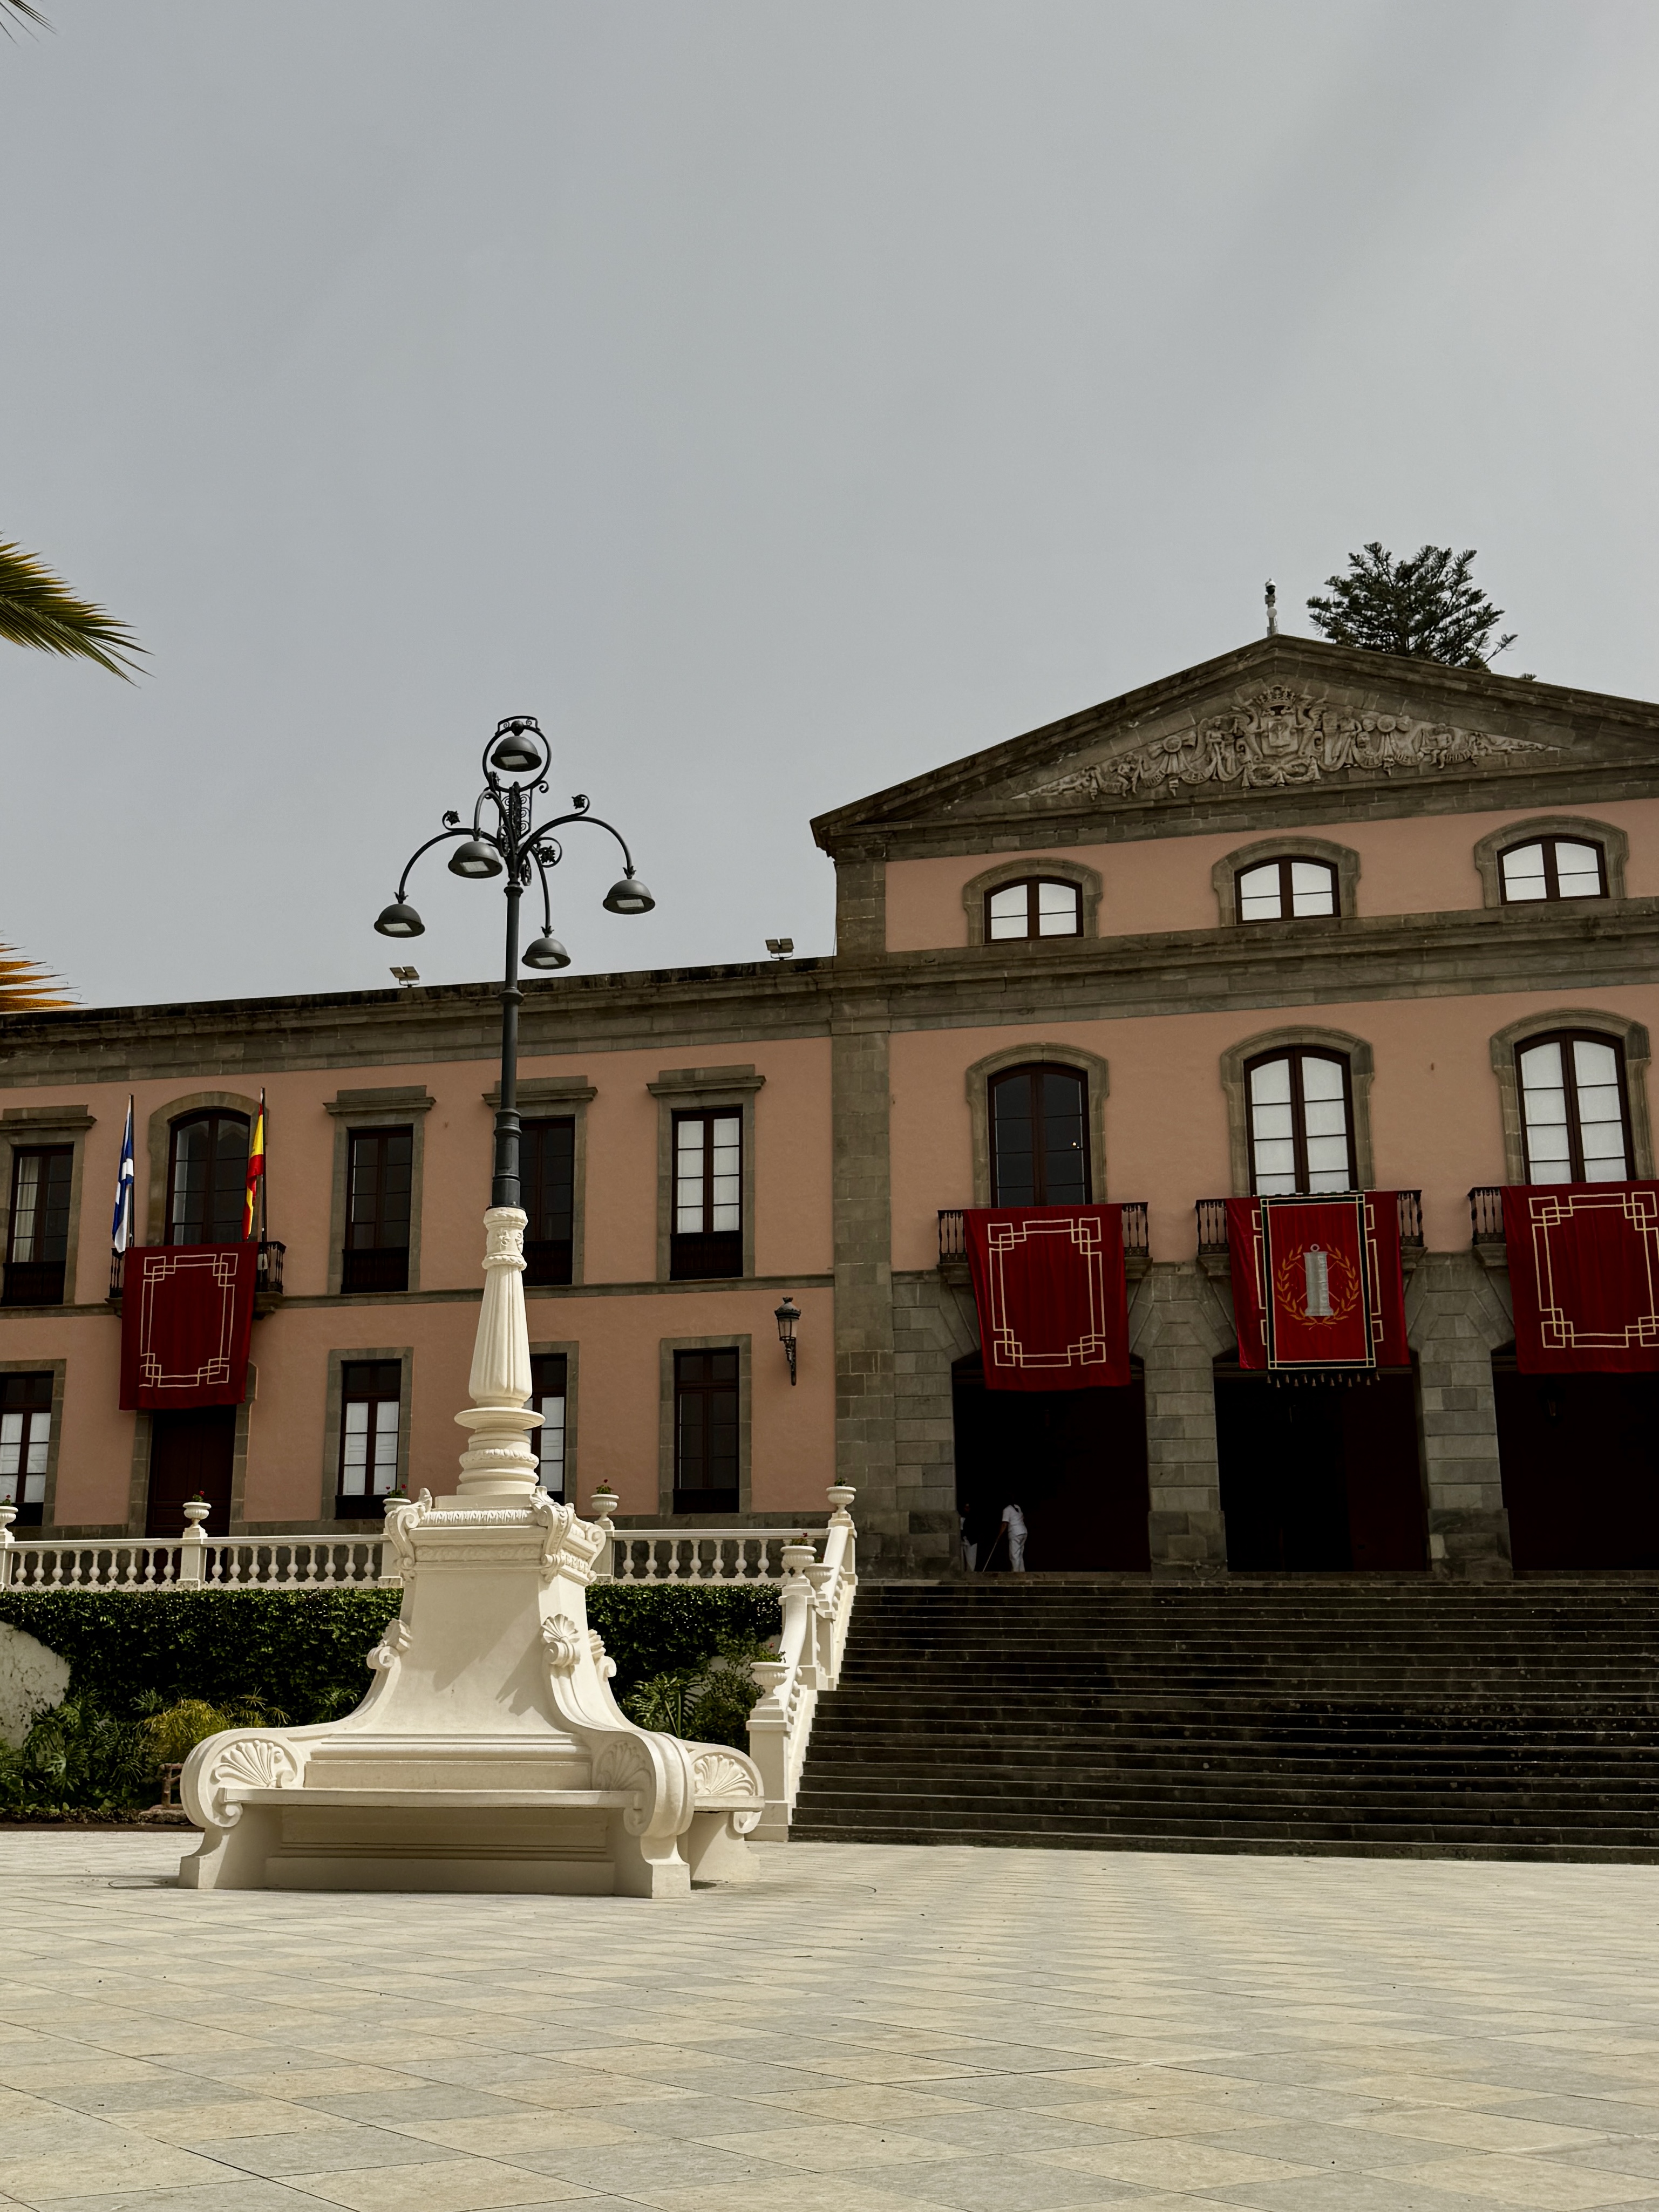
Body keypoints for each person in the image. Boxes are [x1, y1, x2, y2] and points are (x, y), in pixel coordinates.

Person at [1002, 1500, 1028, 1574]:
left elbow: (1004, 1524)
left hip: (1015, 1533)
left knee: (1014, 1555)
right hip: (1023, 1532)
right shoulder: (1017, 1507)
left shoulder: (1007, 1510)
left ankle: (1016, 1574)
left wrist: (999, 1536)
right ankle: (1022, 1573)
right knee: (1019, 1554)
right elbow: (1023, 1518)